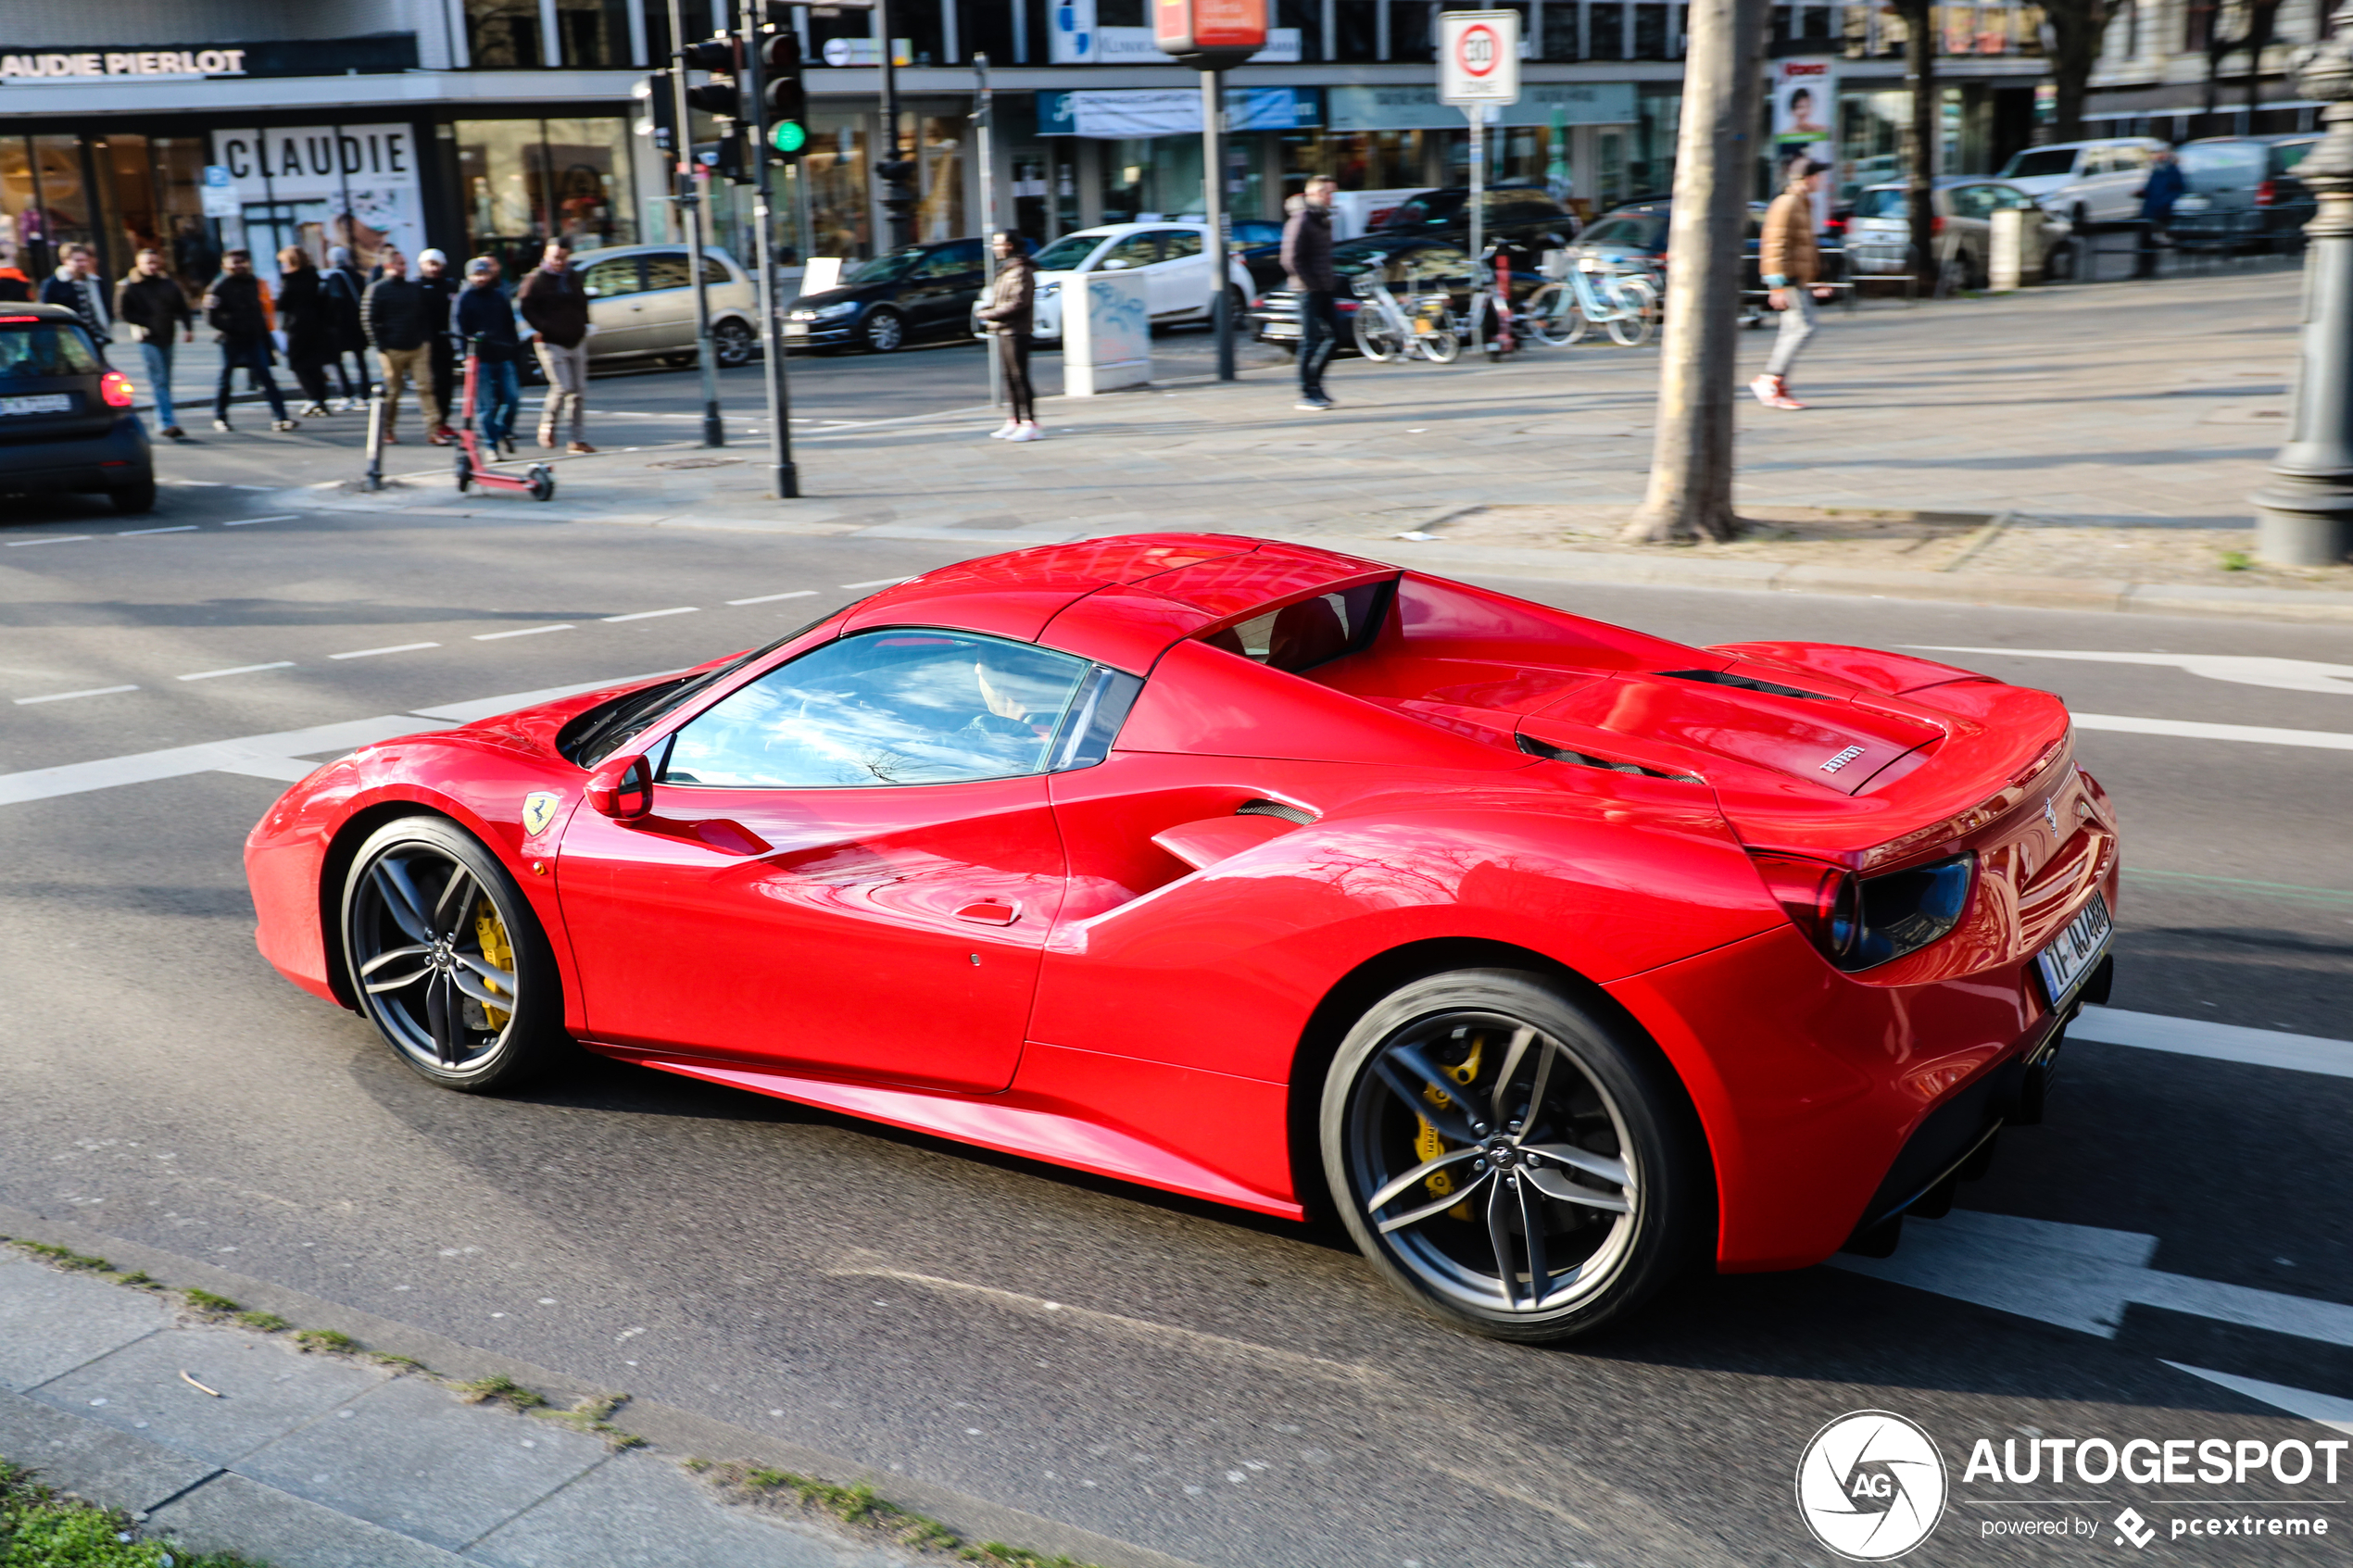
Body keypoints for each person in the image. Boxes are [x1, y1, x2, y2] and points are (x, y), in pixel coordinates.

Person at [1752, 158, 1834, 411]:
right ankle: (1771, 379)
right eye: (1819, 176)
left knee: (1794, 329)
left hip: (1796, 279)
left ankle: (1775, 381)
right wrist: (1776, 285)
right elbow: (1774, 245)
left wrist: (1813, 280)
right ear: (1807, 178)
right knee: (1803, 328)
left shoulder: (1801, 202)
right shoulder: (1786, 203)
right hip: (1786, 279)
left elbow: (1802, 248)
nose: (1822, 180)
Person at [515, 237, 596, 454]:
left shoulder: (572, 276)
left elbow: (581, 301)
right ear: (546, 257)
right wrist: (542, 327)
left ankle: (577, 440)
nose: (559, 262)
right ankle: (547, 426)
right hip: (551, 341)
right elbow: (525, 307)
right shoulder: (536, 279)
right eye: (555, 258)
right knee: (563, 387)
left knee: (578, 391)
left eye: (563, 257)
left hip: (575, 338)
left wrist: (585, 324)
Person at [200, 249, 295, 433]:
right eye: (234, 262)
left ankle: (281, 417)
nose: (238, 266)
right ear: (225, 265)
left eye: (242, 262)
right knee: (226, 379)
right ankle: (220, 417)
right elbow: (210, 315)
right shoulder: (220, 286)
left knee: (266, 377)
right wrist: (230, 325)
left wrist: (264, 332)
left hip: (254, 337)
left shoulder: (254, 283)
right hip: (231, 338)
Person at [115, 247, 195, 441]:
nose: (151, 266)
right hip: (147, 338)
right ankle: (167, 422)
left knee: (165, 380)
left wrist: (188, 328)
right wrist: (145, 322)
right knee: (159, 379)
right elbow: (121, 312)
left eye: (154, 262)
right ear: (138, 264)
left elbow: (182, 307)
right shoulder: (129, 286)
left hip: (167, 335)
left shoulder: (168, 284)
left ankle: (164, 418)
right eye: (147, 263)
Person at [361, 249, 438, 445]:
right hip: (391, 348)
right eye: (399, 264)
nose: (404, 268)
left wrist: (425, 340)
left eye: (404, 264)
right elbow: (368, 318)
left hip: (417, 346)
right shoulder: (377, 289)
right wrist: (380, 345)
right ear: (388, 266)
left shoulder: (413, 288)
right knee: (393, 393)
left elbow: (423, 316)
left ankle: (433, 430)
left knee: (426, 388)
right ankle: (387, 429)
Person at [1282, 174, 1340, 412]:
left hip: (1324, 287)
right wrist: (1311, 282)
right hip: (1308, 290)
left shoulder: (1322, 218)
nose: (1331, 197)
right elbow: (1290, 259)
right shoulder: (1302, 219)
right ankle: (1307, 393)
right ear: (1315, 195)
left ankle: (1315, 384)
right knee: (1309, 342)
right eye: (1328, 193)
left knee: (1335, 337)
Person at [454, 255, 522, 456]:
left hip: (503, 355)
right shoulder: (463, 299)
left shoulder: (498, 296)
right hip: (479, 358)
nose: (481, 278)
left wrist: (513, 346)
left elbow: (510, 323)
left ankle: (503, 430)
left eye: (484, 273)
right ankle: (492, 446)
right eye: (477, 275)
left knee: (512, 399)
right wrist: (464, 355)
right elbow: (458, 328)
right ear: (469, 277)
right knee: (485, 407)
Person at [975, 231, 1040, 442]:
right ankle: (1015, 420)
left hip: (1016, 330)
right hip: (1004, 329)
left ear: (1010, 246)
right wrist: (990, 308)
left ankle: (1031, 424)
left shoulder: (1021, 270)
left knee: (1019, 376)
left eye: (997, 244)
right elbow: (1004, 299)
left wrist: (989, 314)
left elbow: (1019, 303)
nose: (994, 248)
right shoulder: (1007, 269)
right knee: (1009, 377)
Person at [274, 247, 337, 418]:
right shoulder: (315, 277)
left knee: (297, 363)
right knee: (315, 363)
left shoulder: (291, 281)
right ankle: (321, 399)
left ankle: (313, 397)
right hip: (317, 325)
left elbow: (281, 304)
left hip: (297, 325)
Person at [415, 249, 460, 445]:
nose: (433, 268)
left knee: (446, 385)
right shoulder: (416, 287)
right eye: (429, 264)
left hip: (446, 342)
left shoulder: (450, 285)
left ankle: (443, 421)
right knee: (430, 385)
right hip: (425, 343)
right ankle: (434, 424)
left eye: (436, 264)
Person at [320, 245, 372, 408]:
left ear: (331, 260)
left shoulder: (333, 276)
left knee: (337, 361)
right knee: (360, 360)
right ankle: (365, 394)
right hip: (357, 323)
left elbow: (334, 300)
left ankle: (347, 393)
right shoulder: (357, 276)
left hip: (340, 325)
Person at [39, 245, 112, 356]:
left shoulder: (96, 282)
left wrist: (106, 330)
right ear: (65, 261)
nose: (82, 264)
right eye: (77, 260)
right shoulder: (53, 284)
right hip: (69, 338)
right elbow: (47, 311)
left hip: (96, 336)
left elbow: (105, 307)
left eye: (84, 260)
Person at [2135, 148, 2186, 280]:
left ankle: (2149, 268)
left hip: (2161, 210)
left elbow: (2178, 190)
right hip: (2149, 210)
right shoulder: (2156, 171)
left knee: (2153, 240)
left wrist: (2166, 202)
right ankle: (2142, 268)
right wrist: (2142, 193)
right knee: (2144, 241)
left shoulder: (2172, 171)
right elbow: (2150, 189)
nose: (2157, 156)